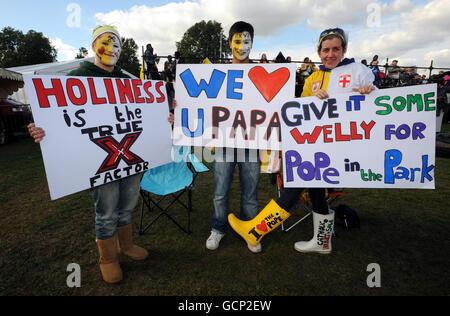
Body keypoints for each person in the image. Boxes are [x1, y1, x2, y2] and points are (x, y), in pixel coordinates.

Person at [28, 26, 174, 284]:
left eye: (118, 44)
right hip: (100, 162)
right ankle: (107, 258)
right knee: (106, 210)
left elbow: (148, 114)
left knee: (128, 204)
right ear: (94, 46)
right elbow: (56, 118)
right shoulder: (75, 78)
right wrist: (41, 130)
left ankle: (125, 246)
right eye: (108, 42)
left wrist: (165, 117)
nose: (114, 49)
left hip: (131, 158)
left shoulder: (129, 81)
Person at [229, 27, 376, 254]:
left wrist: (372, 92)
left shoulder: (359, 71)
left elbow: (380, 108)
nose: (330, 54)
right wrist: (309, 101)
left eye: (336, 49)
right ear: (319, 52)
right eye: (325, 50)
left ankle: (255, 230)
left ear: (344, 49)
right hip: (314, 147)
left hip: (342, 150)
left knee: (297, 186)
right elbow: (301, 114)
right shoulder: (313, 78)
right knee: (315, 190)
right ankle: (322, 242)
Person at [206, 21, 262, 254]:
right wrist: (183, 105)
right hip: (224, 141)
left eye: (246, 41)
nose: (242, 46)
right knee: (220, 191)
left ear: (252, 43)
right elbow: (203, 102)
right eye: (237, 41)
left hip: (252, 140)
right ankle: (218, 228)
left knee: (251, 192)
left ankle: (250, 229)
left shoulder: (261, 74)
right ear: (229, 43)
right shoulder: (218, 74)